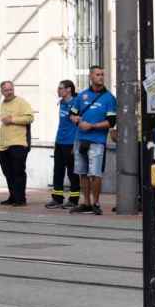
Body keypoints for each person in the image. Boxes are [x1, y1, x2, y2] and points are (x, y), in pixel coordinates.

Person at [69, 66, 117, 216]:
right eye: (98, 74)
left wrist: (92, 126)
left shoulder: (109, 98)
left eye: (102, 74)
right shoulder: (81, 96)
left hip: (97, 141)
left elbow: (111, 121)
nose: (101, 77)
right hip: (80, 139)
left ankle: (96, 202)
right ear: (90, 76)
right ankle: (86, 202)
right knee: (82, 172)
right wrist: (77, 121)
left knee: (95, 174)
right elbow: (72, 114)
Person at [0, 81, 34, 207]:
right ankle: (12, 196)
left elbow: (30, 118)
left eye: (11, 89)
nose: (9, 92)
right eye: (6, 90)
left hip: (18, 143)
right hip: (3, 145)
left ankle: (20, 199)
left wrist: (12, 119)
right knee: (8, 172)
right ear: (2, 92)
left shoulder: (21, 102)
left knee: (18, 172)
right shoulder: (2, 103)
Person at [45, 80, 79, 209]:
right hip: (60, 141)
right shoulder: (62, 103)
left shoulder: (76, 103)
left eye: (60, 88)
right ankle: (57, 198)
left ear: (69, 89)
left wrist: (76, 143)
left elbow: (78, 123)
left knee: (72, 172)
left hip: (71, 142)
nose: (58, 90)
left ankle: (74, 199)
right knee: (58, 170)